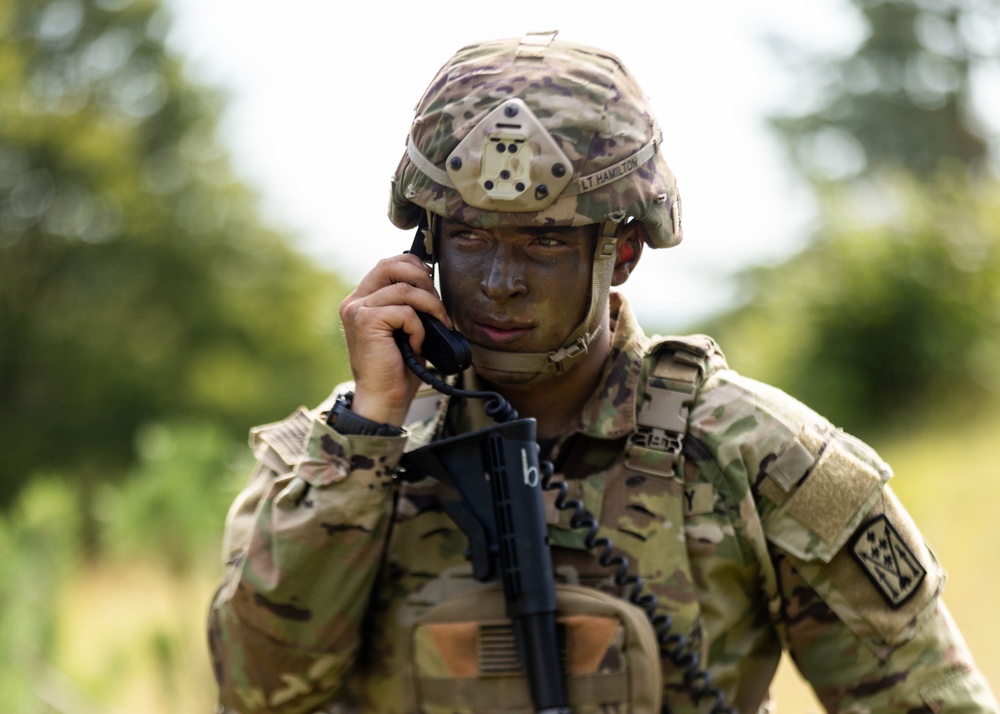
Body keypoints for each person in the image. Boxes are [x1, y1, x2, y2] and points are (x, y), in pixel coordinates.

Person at [208, 32, 997, 714]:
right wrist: (370, 434)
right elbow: (258, 691)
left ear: (620, 251)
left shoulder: (756, 456)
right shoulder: (337, 457)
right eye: (472, 237)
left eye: (545, 243)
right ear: (425, 247)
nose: (500, 281)